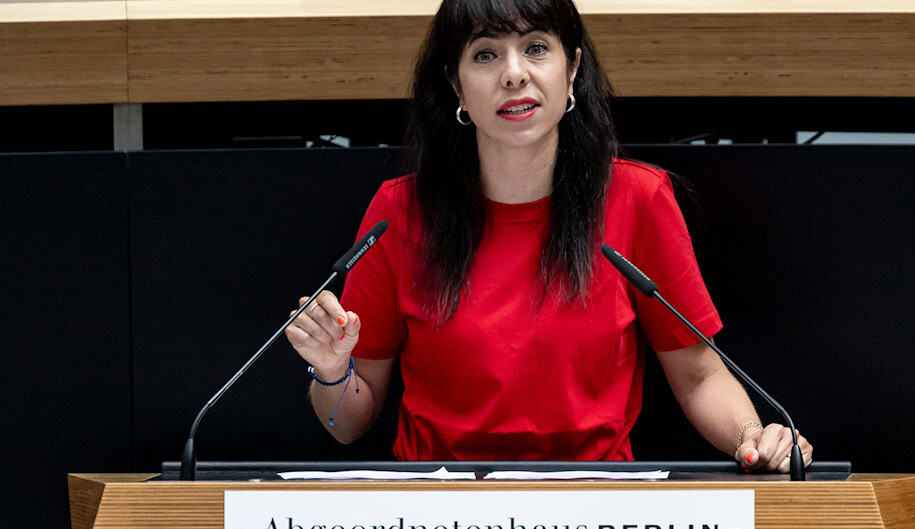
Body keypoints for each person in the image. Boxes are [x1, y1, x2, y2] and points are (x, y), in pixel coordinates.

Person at [285, 0, 812, 473]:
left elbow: (698, 376)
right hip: (438, 519)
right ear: (455, 84)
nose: (515, 75)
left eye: (536, 48)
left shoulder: (637, 199)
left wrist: (754, 438)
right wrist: (332, 371)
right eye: (486, 55)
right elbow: (347, 423)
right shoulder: (399, 211)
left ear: (573, 67)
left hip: (594, 513)